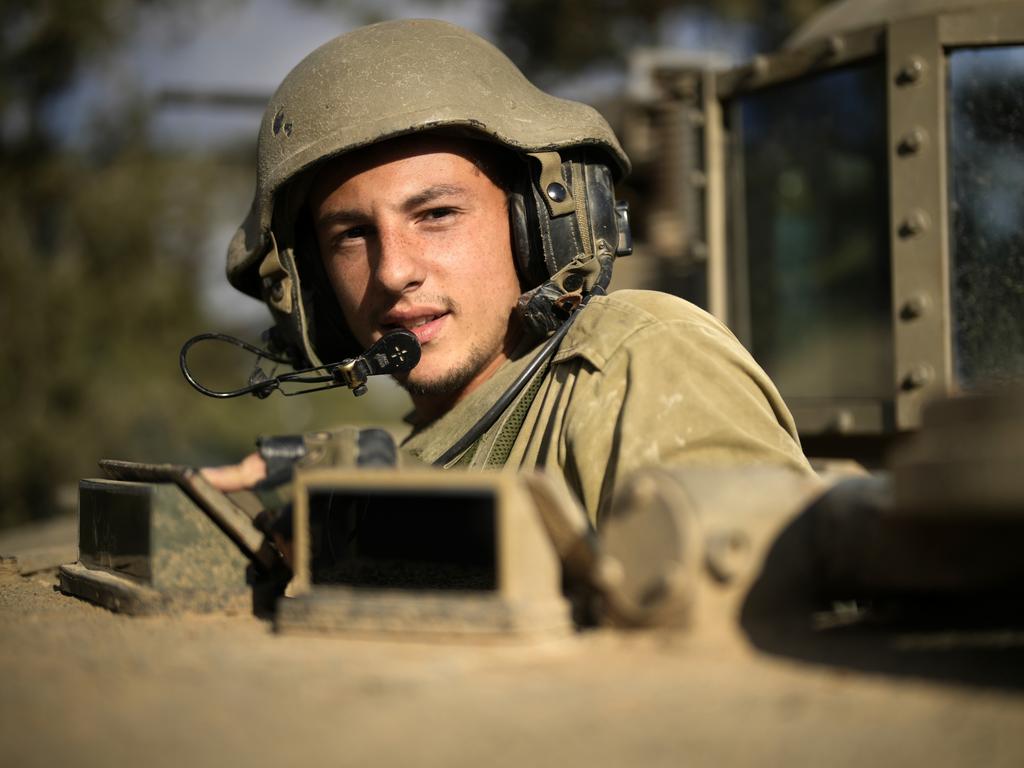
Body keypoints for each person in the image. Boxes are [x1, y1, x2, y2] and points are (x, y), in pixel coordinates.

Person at [203, 19, 811, 527]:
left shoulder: (633, 364)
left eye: (436, 214)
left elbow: (742, 627)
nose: (393, 272)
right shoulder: (426, 439)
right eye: (352, 235)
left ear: (540, 224)